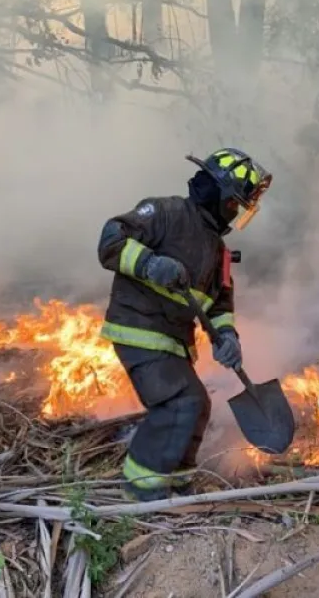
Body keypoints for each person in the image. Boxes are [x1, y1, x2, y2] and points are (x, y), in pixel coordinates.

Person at [96, 148, 273, 501]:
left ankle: (178, 480)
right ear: (219, 194)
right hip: (139, 328)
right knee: (180, 401)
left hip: (173, 342)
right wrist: (149, 264)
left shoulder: (219, 251)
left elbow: (221, 302)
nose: (234, 212)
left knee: (198, 404)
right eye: (234, 203)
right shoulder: (166, 212)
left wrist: (226, 336)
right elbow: (110, 239)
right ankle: (142, 489)